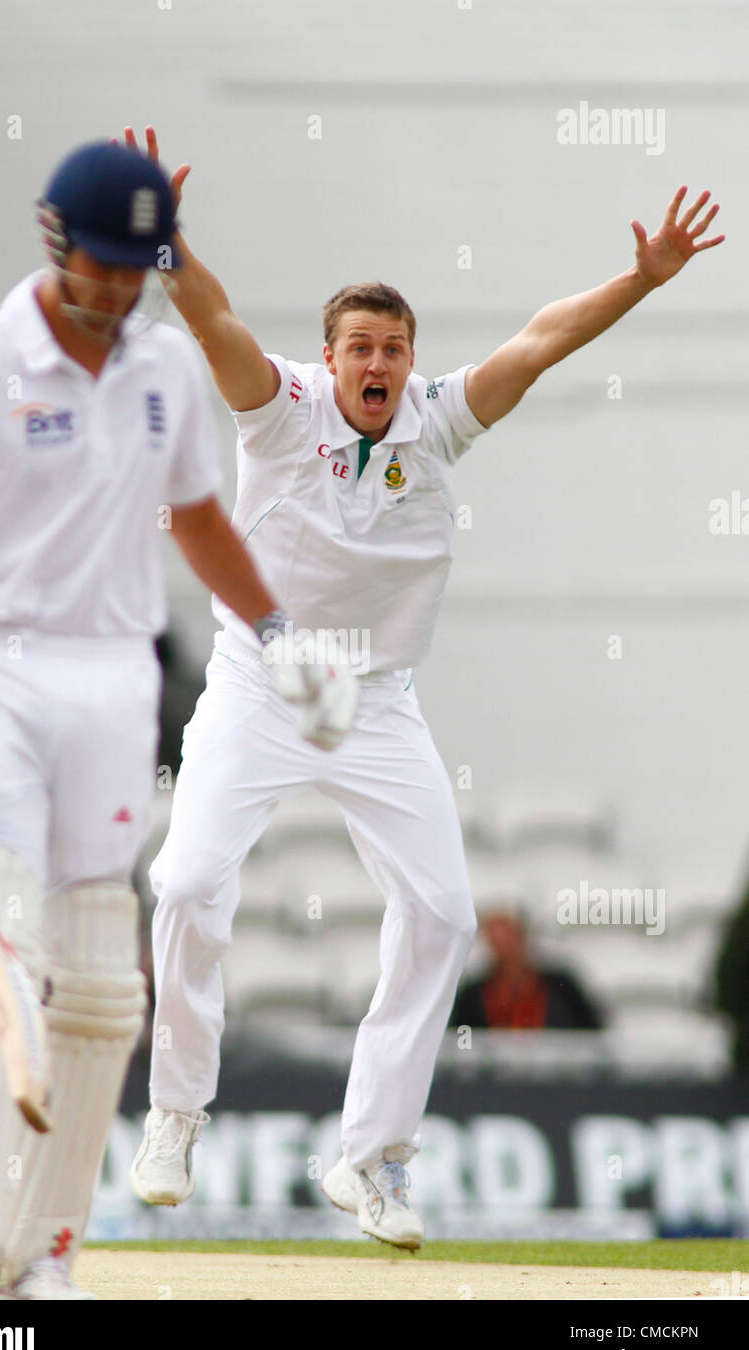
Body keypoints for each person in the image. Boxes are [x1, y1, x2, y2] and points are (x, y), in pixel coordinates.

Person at [126, 125, 723, 1251]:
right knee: (190, 876)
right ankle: (173, 1112)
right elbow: (211, 320)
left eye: (394, 347)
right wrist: (165, 246)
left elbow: (541, 340)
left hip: (376, 704)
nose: (378, 364)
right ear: (330, 354)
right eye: (360, 345)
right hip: (261, 686)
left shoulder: (436, 423)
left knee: (444, 911)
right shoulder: (277, 406)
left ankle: (371, 1158)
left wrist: (640, 282)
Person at [0, 139, 354, 1300]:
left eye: (137, 267)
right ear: (56, 243)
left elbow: (197, 521)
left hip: (111, 681)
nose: (119, 288)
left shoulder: (157, 374)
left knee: (99, 986)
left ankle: (44, 1251)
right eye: (103, 263)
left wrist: (278, 631)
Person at [450, 907, 604, 1030]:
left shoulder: (561, 986)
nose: (503, 948)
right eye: (496, 940)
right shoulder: (472, 995)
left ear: (522, 936)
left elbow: (592, 1032)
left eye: (508, 939)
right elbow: (461, 1042)